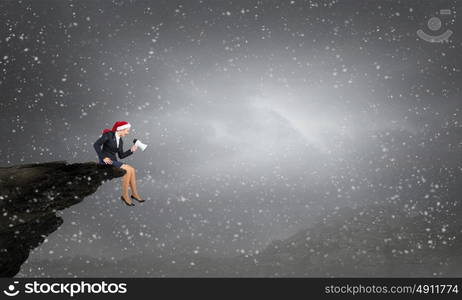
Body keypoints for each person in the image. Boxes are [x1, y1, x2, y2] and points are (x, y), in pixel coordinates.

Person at [93, 121, 145, 206]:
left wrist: (131, 150)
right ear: (121, 129)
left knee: (132, 169)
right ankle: (125, 195)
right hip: (106, 161)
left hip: (113, 161)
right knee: (127, 170)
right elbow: (96, 145)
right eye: (127, 130)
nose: (128, 133)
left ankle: (134, 194)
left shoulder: (120, 141)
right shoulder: (109, 135)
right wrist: (103, 157)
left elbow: (121, 155)